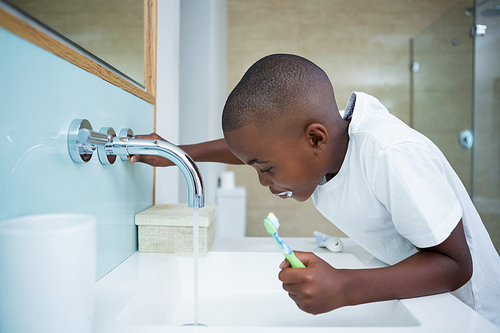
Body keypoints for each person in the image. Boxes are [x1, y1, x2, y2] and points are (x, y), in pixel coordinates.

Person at [130, 54, 500, 326]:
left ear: (315, 139)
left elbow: (456, 265)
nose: (263, 180)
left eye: (267, 169)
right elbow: (257, 146)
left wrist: (343, 286)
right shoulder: (323, 143)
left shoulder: (389, 155)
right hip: (422, 299)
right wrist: (179, 153)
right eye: (257, 167)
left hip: (467, 311)